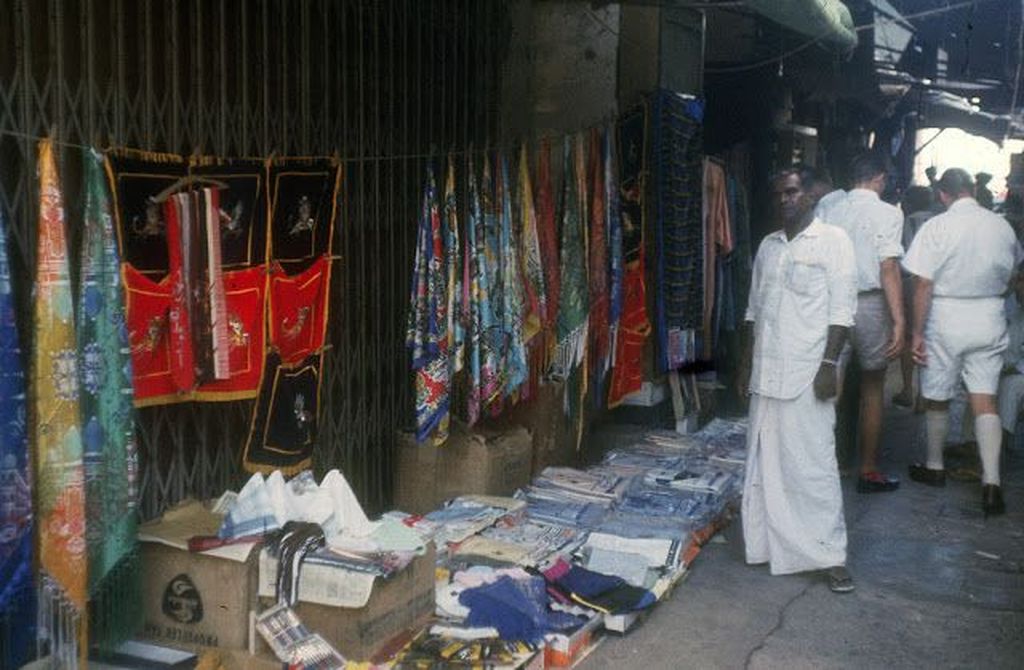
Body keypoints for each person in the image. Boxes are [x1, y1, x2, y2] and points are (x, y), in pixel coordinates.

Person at [737, 166, 857, 592]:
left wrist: (829, 366)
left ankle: (829, 555)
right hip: (767, 373)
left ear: (810, 196)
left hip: (808, 372)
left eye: (791, 192)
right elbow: (753, 311)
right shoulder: (769, 247)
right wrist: (745, 362)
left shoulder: (834, 242)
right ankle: (770, 546)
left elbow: (842, 312)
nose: (784, 201)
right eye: (778, 195)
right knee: (765, 461)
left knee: (814, 465)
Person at [903, 168, 1022, 517]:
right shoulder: (1001, 226)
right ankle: (992, 482)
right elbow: (1016, 271)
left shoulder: (936, 227)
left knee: (938, 395)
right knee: (985, 399)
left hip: (947, 314)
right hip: (989, 315)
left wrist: (917, 332)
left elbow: (923, 285)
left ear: (943, 195)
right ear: (971, 189)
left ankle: (935, 466)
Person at [821, 153, 905, 493]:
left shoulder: (830, 209)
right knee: (873, 386)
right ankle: (868, 470)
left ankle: (824, 466)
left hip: (831, 301)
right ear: (879, 179)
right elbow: (888, 268)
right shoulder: (889, 213)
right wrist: (899, 320)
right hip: (869, 303)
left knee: (829, 385)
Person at [893, 185, 936, 408]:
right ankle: (924, 394)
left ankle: (908, 389)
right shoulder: (938, 221)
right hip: (934, 284)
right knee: (927, 335)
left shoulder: (906, 221)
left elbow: (899, 254)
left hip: (910, 281)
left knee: (910, 337)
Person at [997, 273, 1024, 447]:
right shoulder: (1012, 310)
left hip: (1017, 373)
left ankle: (1000, 441)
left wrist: (1014, 369)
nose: (1019, 287)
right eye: (1019, 281)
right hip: (1007, 368)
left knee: (1011, 385)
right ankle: (972, 442)